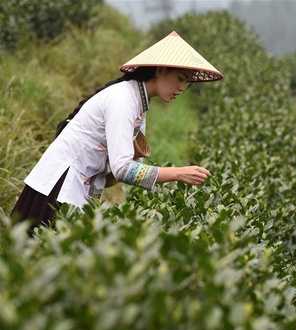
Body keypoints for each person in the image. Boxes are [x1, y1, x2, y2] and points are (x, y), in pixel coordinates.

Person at [11, 31, 223, 230]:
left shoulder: (138, 103)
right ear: (160, 71)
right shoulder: (123, 100)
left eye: (186, 83)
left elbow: (123, 169)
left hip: (79, 186)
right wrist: (178, 173)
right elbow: (123, 169)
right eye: (180, 79)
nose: (181, 89)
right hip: (58, 186)